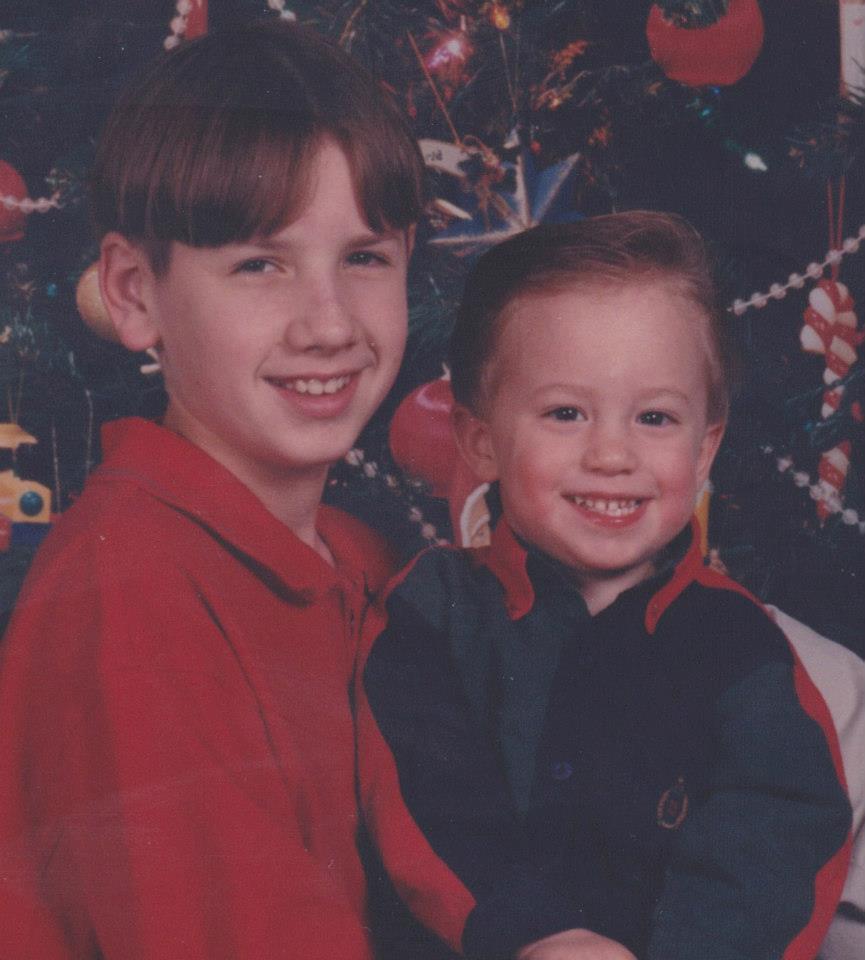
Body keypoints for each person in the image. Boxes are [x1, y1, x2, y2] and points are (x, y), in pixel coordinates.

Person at [360, 212, 853, 960]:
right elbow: (428, 795)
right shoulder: (433, 609)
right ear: (481, 442)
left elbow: (773, 843)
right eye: (566, 413)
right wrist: (539, 935)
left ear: (705, 449)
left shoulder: (743, 647)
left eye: (654, 417)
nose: (612, 455)